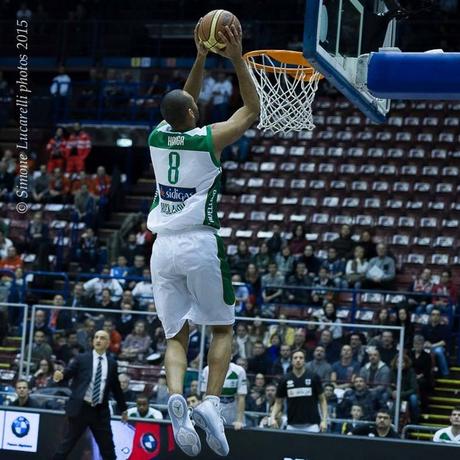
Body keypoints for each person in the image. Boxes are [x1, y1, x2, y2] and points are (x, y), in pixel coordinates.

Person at [146, 20, 259, 458]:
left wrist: (198, 57)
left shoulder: (157, 136)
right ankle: (211, 402)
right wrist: (234, 58)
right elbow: (250, 111)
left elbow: (182, 102)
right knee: (222, 326)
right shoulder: (207, 140)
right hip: (199, 243)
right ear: (193, 113)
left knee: (177, 334)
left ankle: (176, 394)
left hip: (162, 249)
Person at [52, 330, 128, 460]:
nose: (98, 340)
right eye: (96, 337)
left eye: (102, 338)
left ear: (108, 343)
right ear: (93, 341)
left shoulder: (112, 364)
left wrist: (123, 409)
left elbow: (116, 388)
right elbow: (69, 371)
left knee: (108, 449)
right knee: (66, 445)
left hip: (100, 412)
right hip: (81, 408)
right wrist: (61, 375)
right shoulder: (82, 358)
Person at [269, 350, 328, 432]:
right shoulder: (285, 379)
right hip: (292, 425)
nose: (298, 360)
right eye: (295, 358)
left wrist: (324, 420)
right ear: (292, 361)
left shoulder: (313, 377)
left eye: (301, 358)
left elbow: (322, 400)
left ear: (304, 361)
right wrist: (272, 418)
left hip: (312, 425)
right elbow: (278, 402)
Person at [200, 361, 247, 430]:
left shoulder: (239, 371)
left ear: (231, 356)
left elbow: (241, 397)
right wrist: (205, 417)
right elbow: (205, 395)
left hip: (233, 408)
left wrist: (239, 420)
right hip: (214, 406)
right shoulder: (207, 370)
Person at [421, 308, 450, 377]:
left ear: (440, 317)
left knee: (438, 351)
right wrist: (425, 343)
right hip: (427, 346)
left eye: (437, 315)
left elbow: (444, 342)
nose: (435, 316)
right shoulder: (425, 327)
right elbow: (421, 339)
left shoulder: (444, 327)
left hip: (439, 347)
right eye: (433, 314)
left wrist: (432, 346)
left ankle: (445, 373)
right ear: (430, 316)